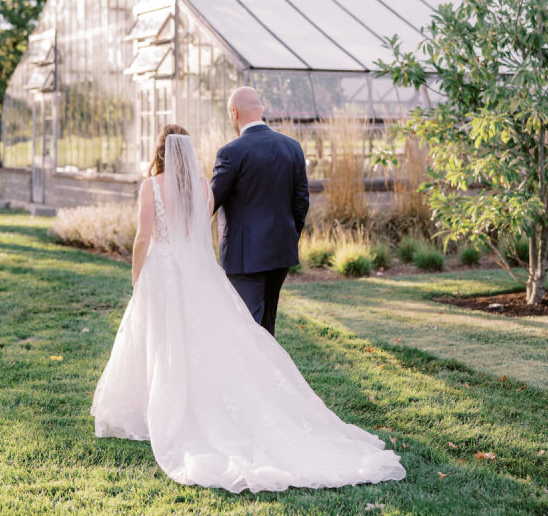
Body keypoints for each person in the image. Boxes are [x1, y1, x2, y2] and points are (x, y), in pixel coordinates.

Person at [91, 123, 406, 493]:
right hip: (195, 274)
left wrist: (136, 273)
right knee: (196, 340)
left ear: (159, 150)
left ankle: (159, 409)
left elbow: (143, 236)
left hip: (162, 272)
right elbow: (197, 234)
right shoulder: (200, 188)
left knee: (160, 337)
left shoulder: (151, 187)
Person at [211, 87, 309, 335]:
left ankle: (255, 374)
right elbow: (301, 203)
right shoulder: (293, 147)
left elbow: (209, 204)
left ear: (234, 113)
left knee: (247, 330)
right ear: (261, 110)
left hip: (245, 259)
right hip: (280, 254)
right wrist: (288, 236)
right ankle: (271, 374)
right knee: (266, 327)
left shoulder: (230, 153)